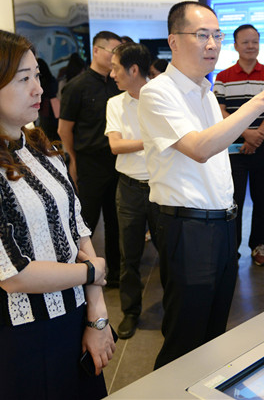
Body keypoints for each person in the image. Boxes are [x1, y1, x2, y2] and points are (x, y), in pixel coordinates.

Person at [0, 28, 115, 400]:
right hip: (23, 335)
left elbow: (77, 228)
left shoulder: (38, 144)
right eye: (23, 79)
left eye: (37, 75)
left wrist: (97, 315)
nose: (38, 89)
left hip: (77, 316)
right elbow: (13, 274)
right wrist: (91, 272)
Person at [138, 1, 264, 369]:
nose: (213, 44)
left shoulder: (205, 91)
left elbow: (218, 146)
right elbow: (200, 148)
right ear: (174, 40)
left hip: (221, 224)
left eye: (217, 35)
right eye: (202, 35)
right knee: (185, 336)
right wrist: (261, 101)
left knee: (214, 331)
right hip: (187, 225)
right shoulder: (159, 92)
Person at [58, 31, 122, 287]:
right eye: (113, 51)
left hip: (117, 162)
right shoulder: (77, 86)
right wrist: (72, 161)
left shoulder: (118, 83)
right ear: (96, 51)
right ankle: (77, 276)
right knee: (86, 223)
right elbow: (64, 129)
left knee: (116, 222)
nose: (116, 57)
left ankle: (115, 275)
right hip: (89, 164)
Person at [214, 24, 264, 266]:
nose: (251, 46)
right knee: (234, 201)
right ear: (235, 46)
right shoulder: (223, 77)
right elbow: (219, 110)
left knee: (263, 200)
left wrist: (257, 135)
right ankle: (232, 249)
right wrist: (245, 133)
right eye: (245, 42)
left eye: (255, 41)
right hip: (234, 148)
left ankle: (258, 246)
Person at [105, 42, 158, 340]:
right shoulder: (115, 104)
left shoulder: (161, 97)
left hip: (162, 185)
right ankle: (131, 312)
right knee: (129, 256)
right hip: (128, 188)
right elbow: (115, 145)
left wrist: (141, 142)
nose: (112, 74)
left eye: (116, 68)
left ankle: (175, 309)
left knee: (171, 251)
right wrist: (153, 140)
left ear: (133, 69)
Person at [36, 58, 59, 141]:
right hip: (55, 106)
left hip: (46, 108)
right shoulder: (52, 79)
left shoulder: (41, 82)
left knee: (45, 132)